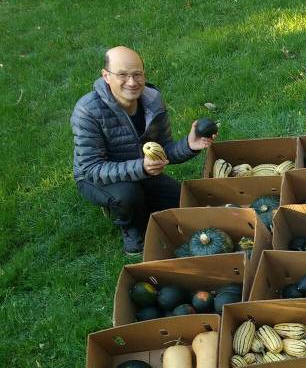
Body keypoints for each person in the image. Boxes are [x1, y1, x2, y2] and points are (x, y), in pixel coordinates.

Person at [71, 46, 215, 254]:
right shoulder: (87, 111)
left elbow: (163, 151)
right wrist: (142, 168)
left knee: (183, 202)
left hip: (141, 170)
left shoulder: (153, 100)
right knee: (127, 195)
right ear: (106, 76)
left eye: (137, 74)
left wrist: (190, 145)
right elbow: (92, 168)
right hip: (96, 178)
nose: (132, 82)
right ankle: (130, 227)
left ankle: (142, 201)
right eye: (122, 74)